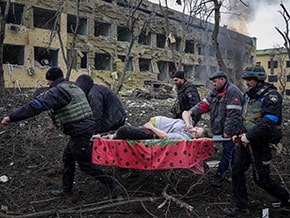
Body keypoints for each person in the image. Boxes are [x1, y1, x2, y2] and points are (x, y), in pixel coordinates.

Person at [1, 67, 121, 198]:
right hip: (83, 129)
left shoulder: (57, 92)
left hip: (80, 131)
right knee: (68, 157)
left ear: (52, 80)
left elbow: (36, 106)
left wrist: (12, 117)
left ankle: (113, 185)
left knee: (85, 164)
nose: (47, 84)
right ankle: (66, 189)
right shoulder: (71, 86)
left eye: (48, 81)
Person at [223, 65, 290, 216]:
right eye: (246, 79)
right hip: (245, 142)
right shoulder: (248, 96)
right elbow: (245, 117)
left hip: (261, 143)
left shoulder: (271, 96)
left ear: (258, 79)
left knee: (261, 179)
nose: (247, 82)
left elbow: (269, 121)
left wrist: (249, 135)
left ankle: (287, 198)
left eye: (250, 79)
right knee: (237, 171)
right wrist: (237, 134)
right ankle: (241, 207)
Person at [183, 71, 243, 186]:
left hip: (232, 130)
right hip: (219, 129)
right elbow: (203, 105)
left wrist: (228, 132)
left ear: (222, 79)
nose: (213, 84)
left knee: (228, 152)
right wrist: (191, 112)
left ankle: (220, 175)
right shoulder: (214, 92)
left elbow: (233, 114)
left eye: (215, 82)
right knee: (232, 153)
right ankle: (233, 170)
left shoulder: (233, 92)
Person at [99, 115, 211, 140]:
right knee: (123, 130)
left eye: (196, 133)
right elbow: (186, 112)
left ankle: (108, 137)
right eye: (196, 128)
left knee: (124, 130)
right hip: (151, 125)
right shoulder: (189, 126)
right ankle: (106, 136)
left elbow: (165, 136)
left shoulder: (184, 137)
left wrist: (151, 127)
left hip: (151, 132)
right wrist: (187, 123)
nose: (193, 130)